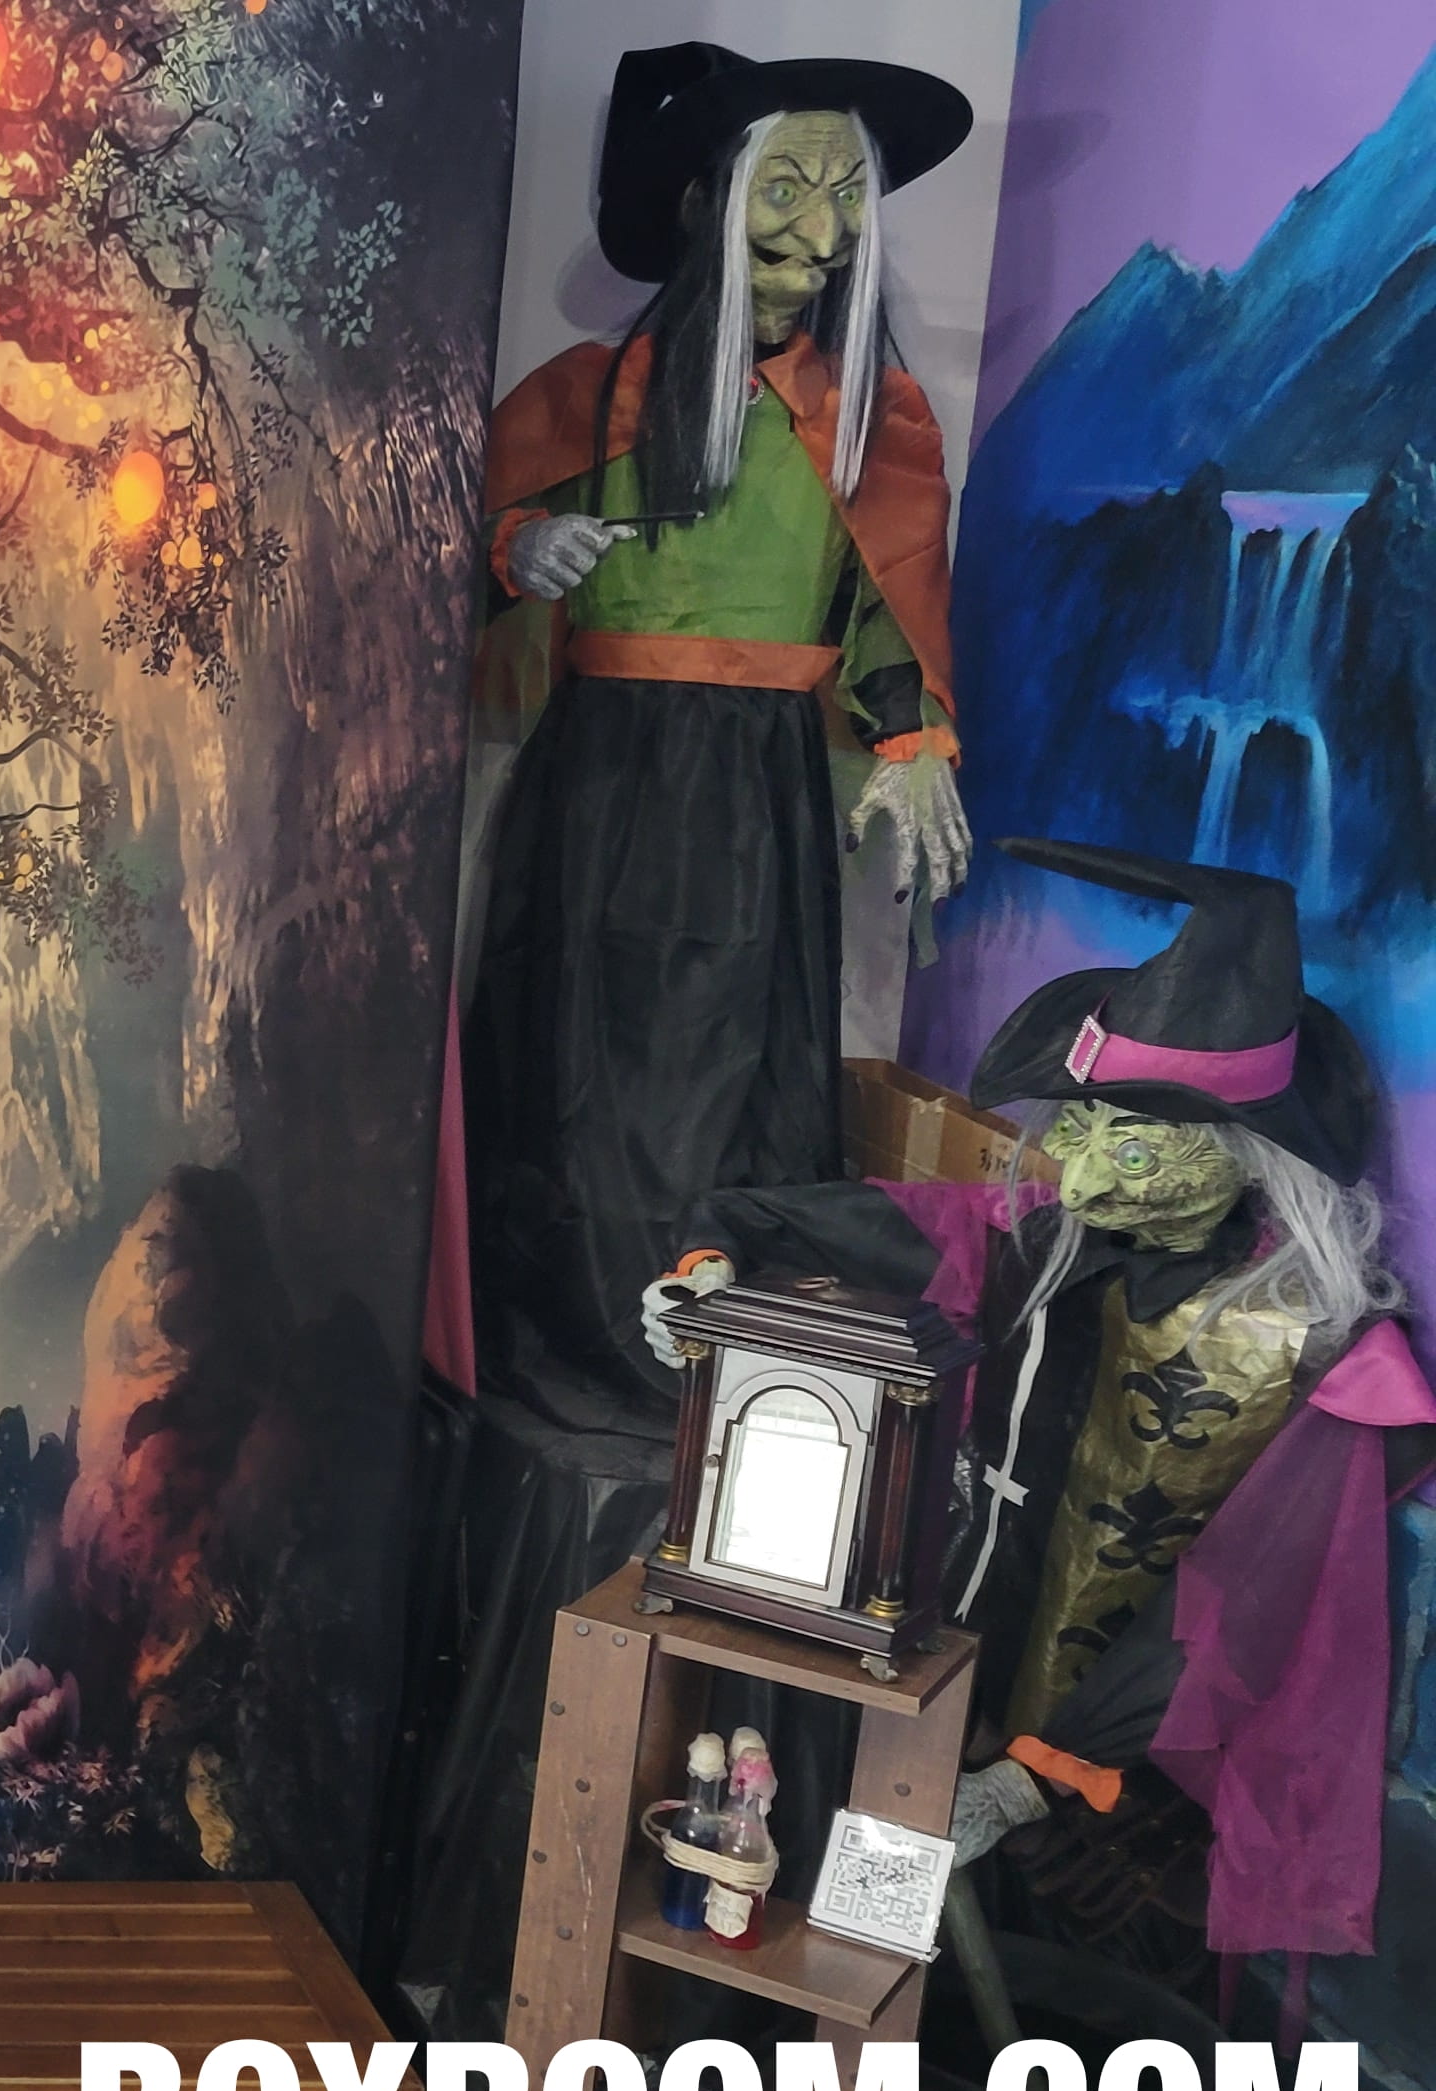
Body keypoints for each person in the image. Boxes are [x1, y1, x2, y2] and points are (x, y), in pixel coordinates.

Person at [643, 840, 1427, 2005]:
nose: (1087, 1178)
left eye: (1135, 1147)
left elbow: (1241, 1616)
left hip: (1116, 1791)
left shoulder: (1314, 1356)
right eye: (1079, 1129)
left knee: (1055, 2020)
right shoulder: (1037, 1238)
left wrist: (1030, 1781)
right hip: (938, 1694)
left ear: (1250, 1157)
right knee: (862, 1965)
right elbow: (787, 1221)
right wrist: (705, 1278)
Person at [467, 41, 977, 1424]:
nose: (823, 232)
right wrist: (523, 547)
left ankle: (713, 1340)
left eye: (847, 192)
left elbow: (888, 602)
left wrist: (910, 743)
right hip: (606, 776)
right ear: (708, 200)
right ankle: (580, 1337)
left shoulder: (870, 422)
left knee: (737, 1061)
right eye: (787, 187)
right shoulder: (592, 395)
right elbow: (467, 541)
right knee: (583, 1054)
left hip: (761, 794)